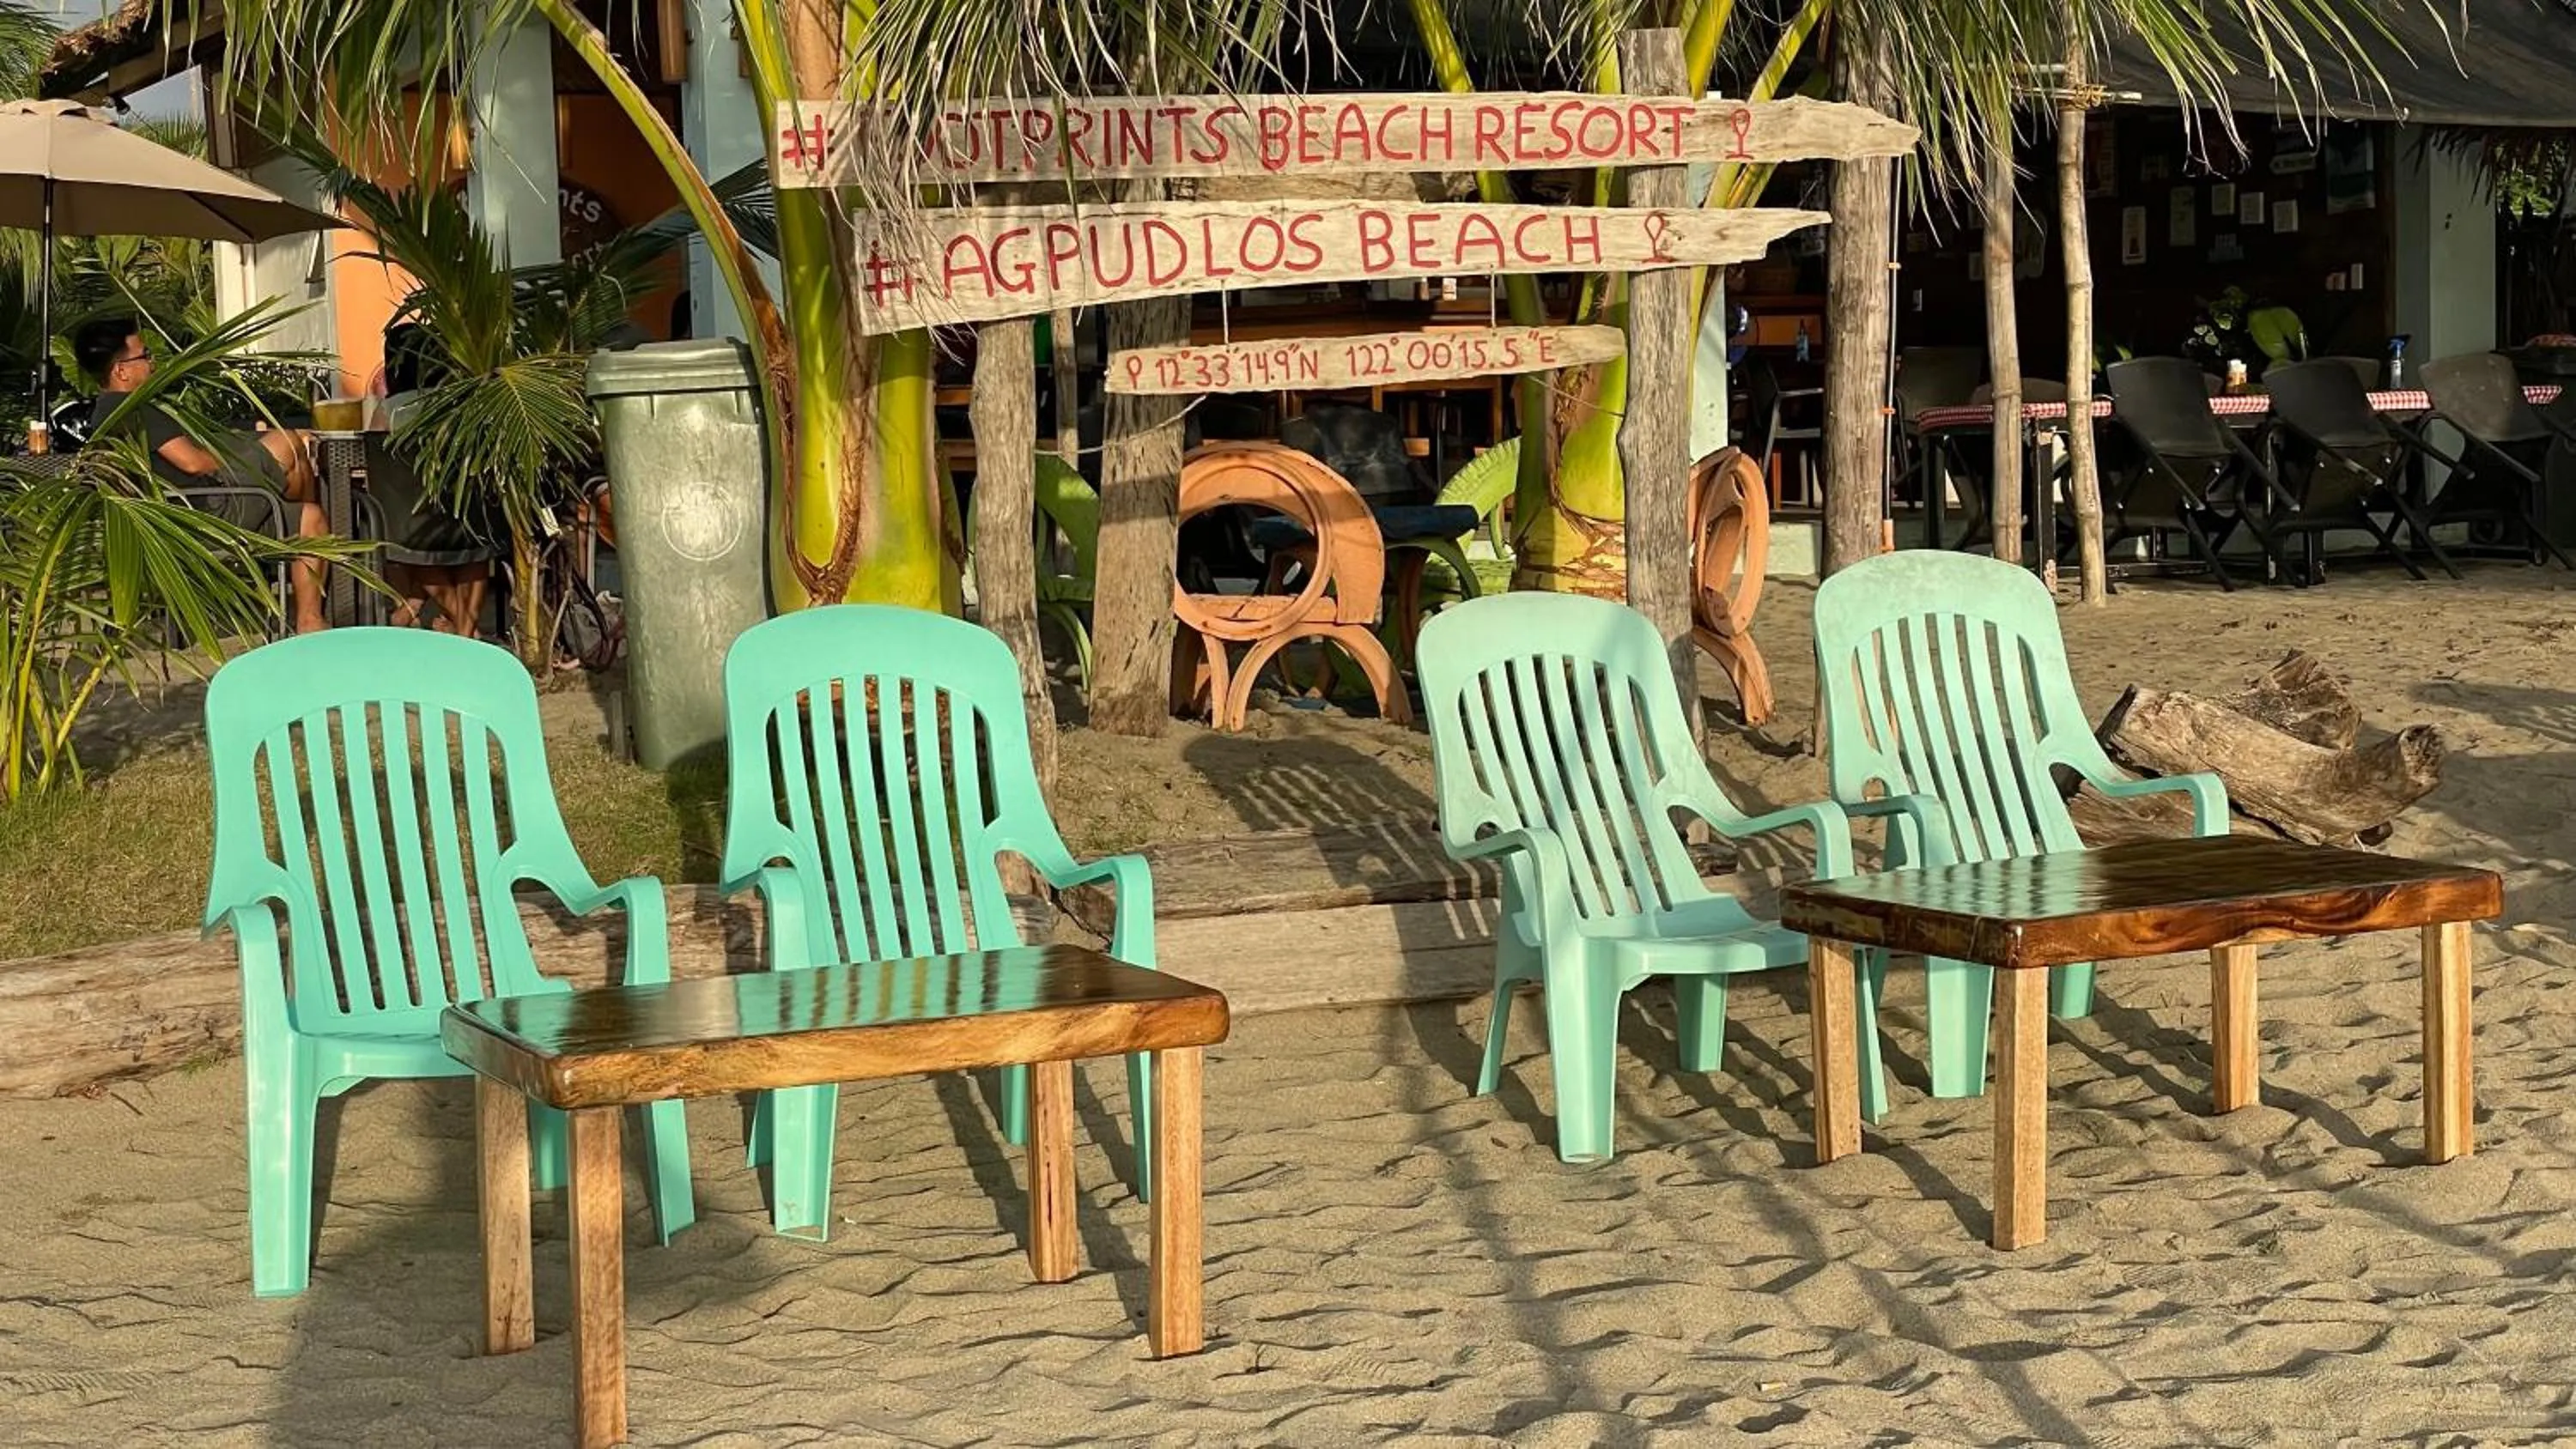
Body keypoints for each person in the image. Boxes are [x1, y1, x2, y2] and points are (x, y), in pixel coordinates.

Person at [72, 318, 331, 634]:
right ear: (121, 371)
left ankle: (309, 620)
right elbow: (194, 463)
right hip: (208, 516)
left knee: (311, 519)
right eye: (144, 355)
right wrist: (232, 453)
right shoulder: (135, 408)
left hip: (184, 516)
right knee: (289, 442)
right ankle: (318, 549)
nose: (152, 362)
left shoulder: (104, 412)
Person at [366, 324, 501, 636]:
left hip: (413, 526)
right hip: (469, 519)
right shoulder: (467, 403)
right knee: (474, 550)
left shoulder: (390, 409)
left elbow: (375, 463)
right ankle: (467, 632)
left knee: (404, 542)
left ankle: (424, 612)